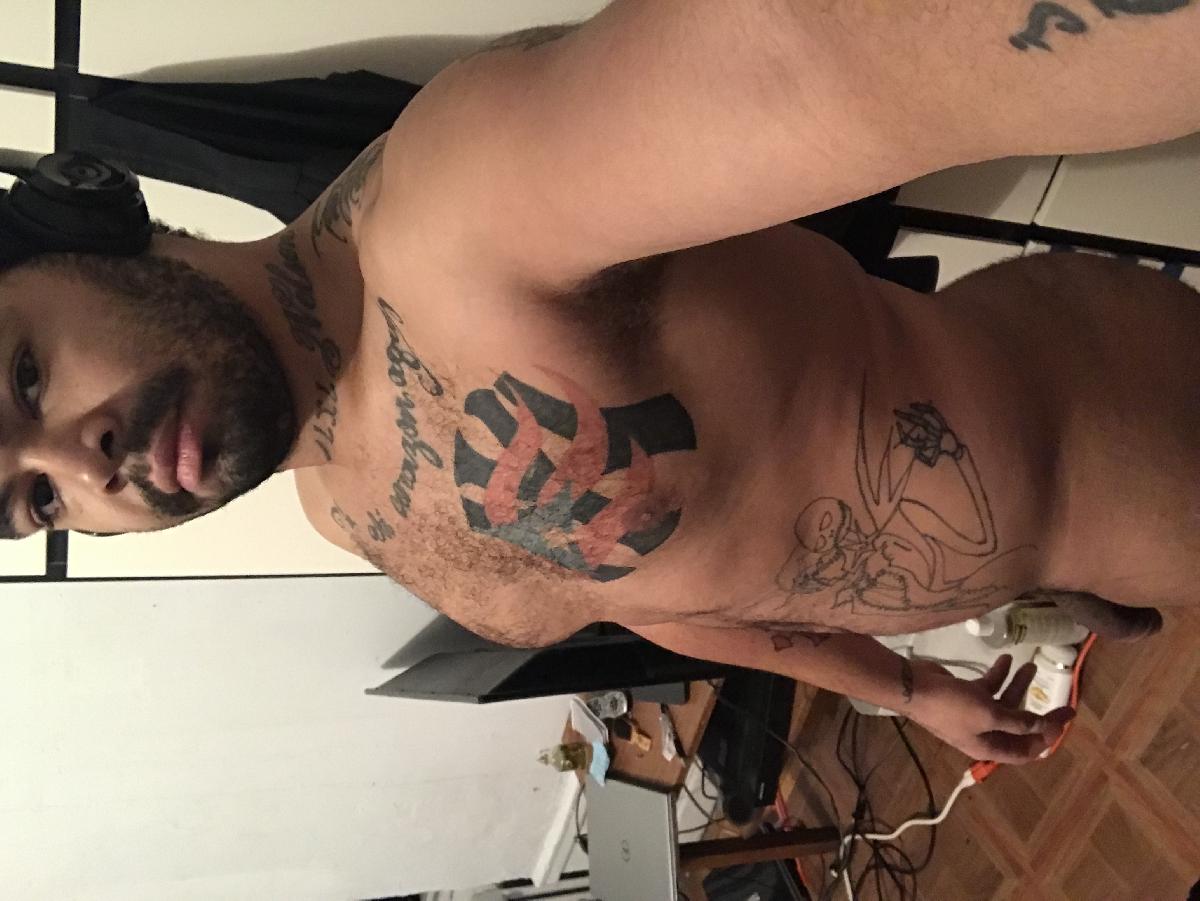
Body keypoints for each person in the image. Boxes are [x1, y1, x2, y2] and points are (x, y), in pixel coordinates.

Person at [2, 2, 1199, 763]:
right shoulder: (344, 509)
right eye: (35, 500)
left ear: (84, 217)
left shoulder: (459, 199)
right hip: (1072, 551)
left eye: (24, 376)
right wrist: (905, 686)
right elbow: (666, 596)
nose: (79, 465)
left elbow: (826, 54)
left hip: (1133, 433)